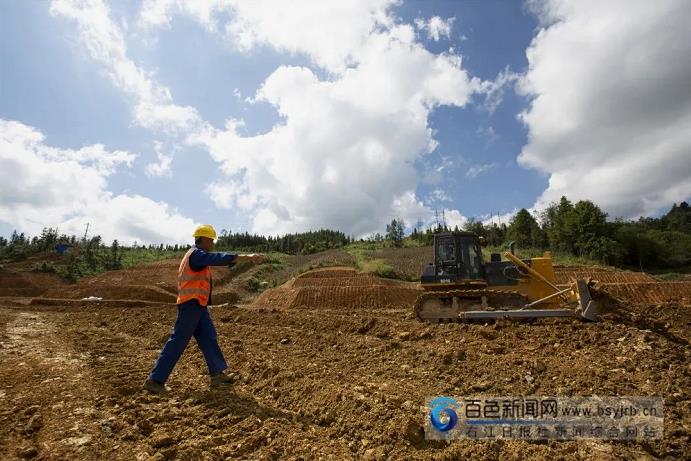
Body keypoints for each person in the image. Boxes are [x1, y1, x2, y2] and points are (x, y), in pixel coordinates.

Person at [144, 224, 262, 394]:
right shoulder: (196, 255)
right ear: (203, 239)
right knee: (178, 340)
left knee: (208, 337)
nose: (212, 244)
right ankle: (155, 380)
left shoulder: (197, 256)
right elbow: (216, 258)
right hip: (191, 304)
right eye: (211, 240)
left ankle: (217, 374)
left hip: (198, 305)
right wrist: (244, 257)